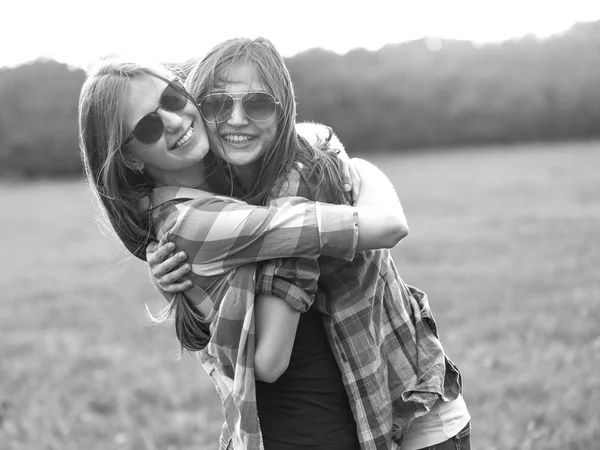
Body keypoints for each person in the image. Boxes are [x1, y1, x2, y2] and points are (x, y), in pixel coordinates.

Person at [148, 37, 471, 450]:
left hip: (418, 414)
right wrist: (179, 277)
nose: (237, 119)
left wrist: (364, 171)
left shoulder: (295, 191)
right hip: (363, 413)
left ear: (283, 111)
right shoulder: (232, 199)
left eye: (259, 104)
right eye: (216, 104)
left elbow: (264, 361)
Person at [78, 55, 407, 450]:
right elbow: (387, 225)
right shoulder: (197, 224)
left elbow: (308, 134)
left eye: (171, 97)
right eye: (148, 126)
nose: (175, 120)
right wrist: (363, 170)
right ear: (130, 157)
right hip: (303, 431)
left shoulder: (218, 188)